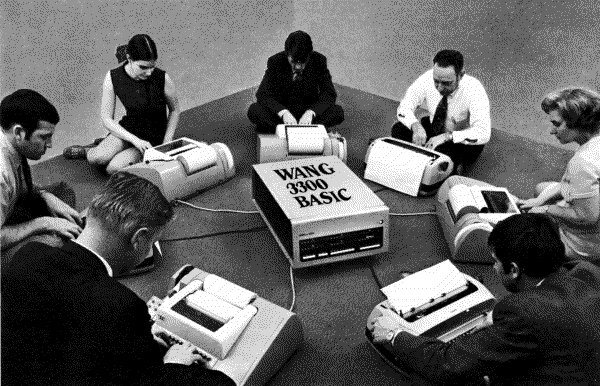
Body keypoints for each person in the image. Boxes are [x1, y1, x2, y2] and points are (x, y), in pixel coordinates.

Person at [1, 171, 235, 386]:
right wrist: (174, 364)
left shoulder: (28, 255)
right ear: (138, 239)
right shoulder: (121, 306)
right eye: (151, 243)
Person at [368, 213, 600, 385]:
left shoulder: (524, 312)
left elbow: (448, 365)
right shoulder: (586, 272)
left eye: (496, 262)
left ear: (513, 269)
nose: (494, 267)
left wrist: (394, 334)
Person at [65, 34, 180, 174]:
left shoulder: (163, 78)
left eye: (152, 67)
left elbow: (174, 110)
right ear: (129, 59)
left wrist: (167, 140)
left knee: (113, 168)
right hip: (129, 130)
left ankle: (109, 146)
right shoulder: (113, 77)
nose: (149, 72)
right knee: (96, 158)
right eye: (143, 67)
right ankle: (89, 150)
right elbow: (106, 118)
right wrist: (134, 139)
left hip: (153, 137)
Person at [0, 89, 82, 267]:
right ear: (19, 132)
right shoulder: (1, 172)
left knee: (62, 191)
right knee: (53, 244)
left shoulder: (11, 143)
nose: (50, 145)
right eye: (44, 137)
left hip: (9, 213)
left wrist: (45, 195)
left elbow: (21, 185)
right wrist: (44, 223)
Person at [519, 88, 600, 262]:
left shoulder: (583, 161)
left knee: (522, 237)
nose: (551, 131)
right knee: (541, 190)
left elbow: (587, 217)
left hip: (587, 244)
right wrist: (539, 201)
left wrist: (547, 209)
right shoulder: (594, 143)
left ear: (578, 123)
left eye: (556, 124)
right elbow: (569, 184)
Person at [391, 49, 491, 174]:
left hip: (458, 139)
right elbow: (405, 106)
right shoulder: (428, 77)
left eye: (446, 83)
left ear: (461, 75)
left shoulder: (474, 89)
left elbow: (483, 132)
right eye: (436, 81)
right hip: (434, 128)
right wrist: (415, 126)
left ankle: (436, 163)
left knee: (445, 155)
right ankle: (426, 161)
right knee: (398, 129)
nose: (439, 88)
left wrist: (447, 136)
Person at [247, 30, 344, 133]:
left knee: (337, 112)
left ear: (309, 55)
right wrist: (283, 112)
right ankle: (297, 129)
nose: (297, 66)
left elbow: (329, 94)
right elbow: (263, 94)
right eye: (293, 61)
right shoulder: (275, 61)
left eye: (302, 62)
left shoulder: (319, 61)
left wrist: (311, 112)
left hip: (308, 112)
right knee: (254, 110)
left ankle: (293, 129)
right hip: (283, 112)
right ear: (287, 54)